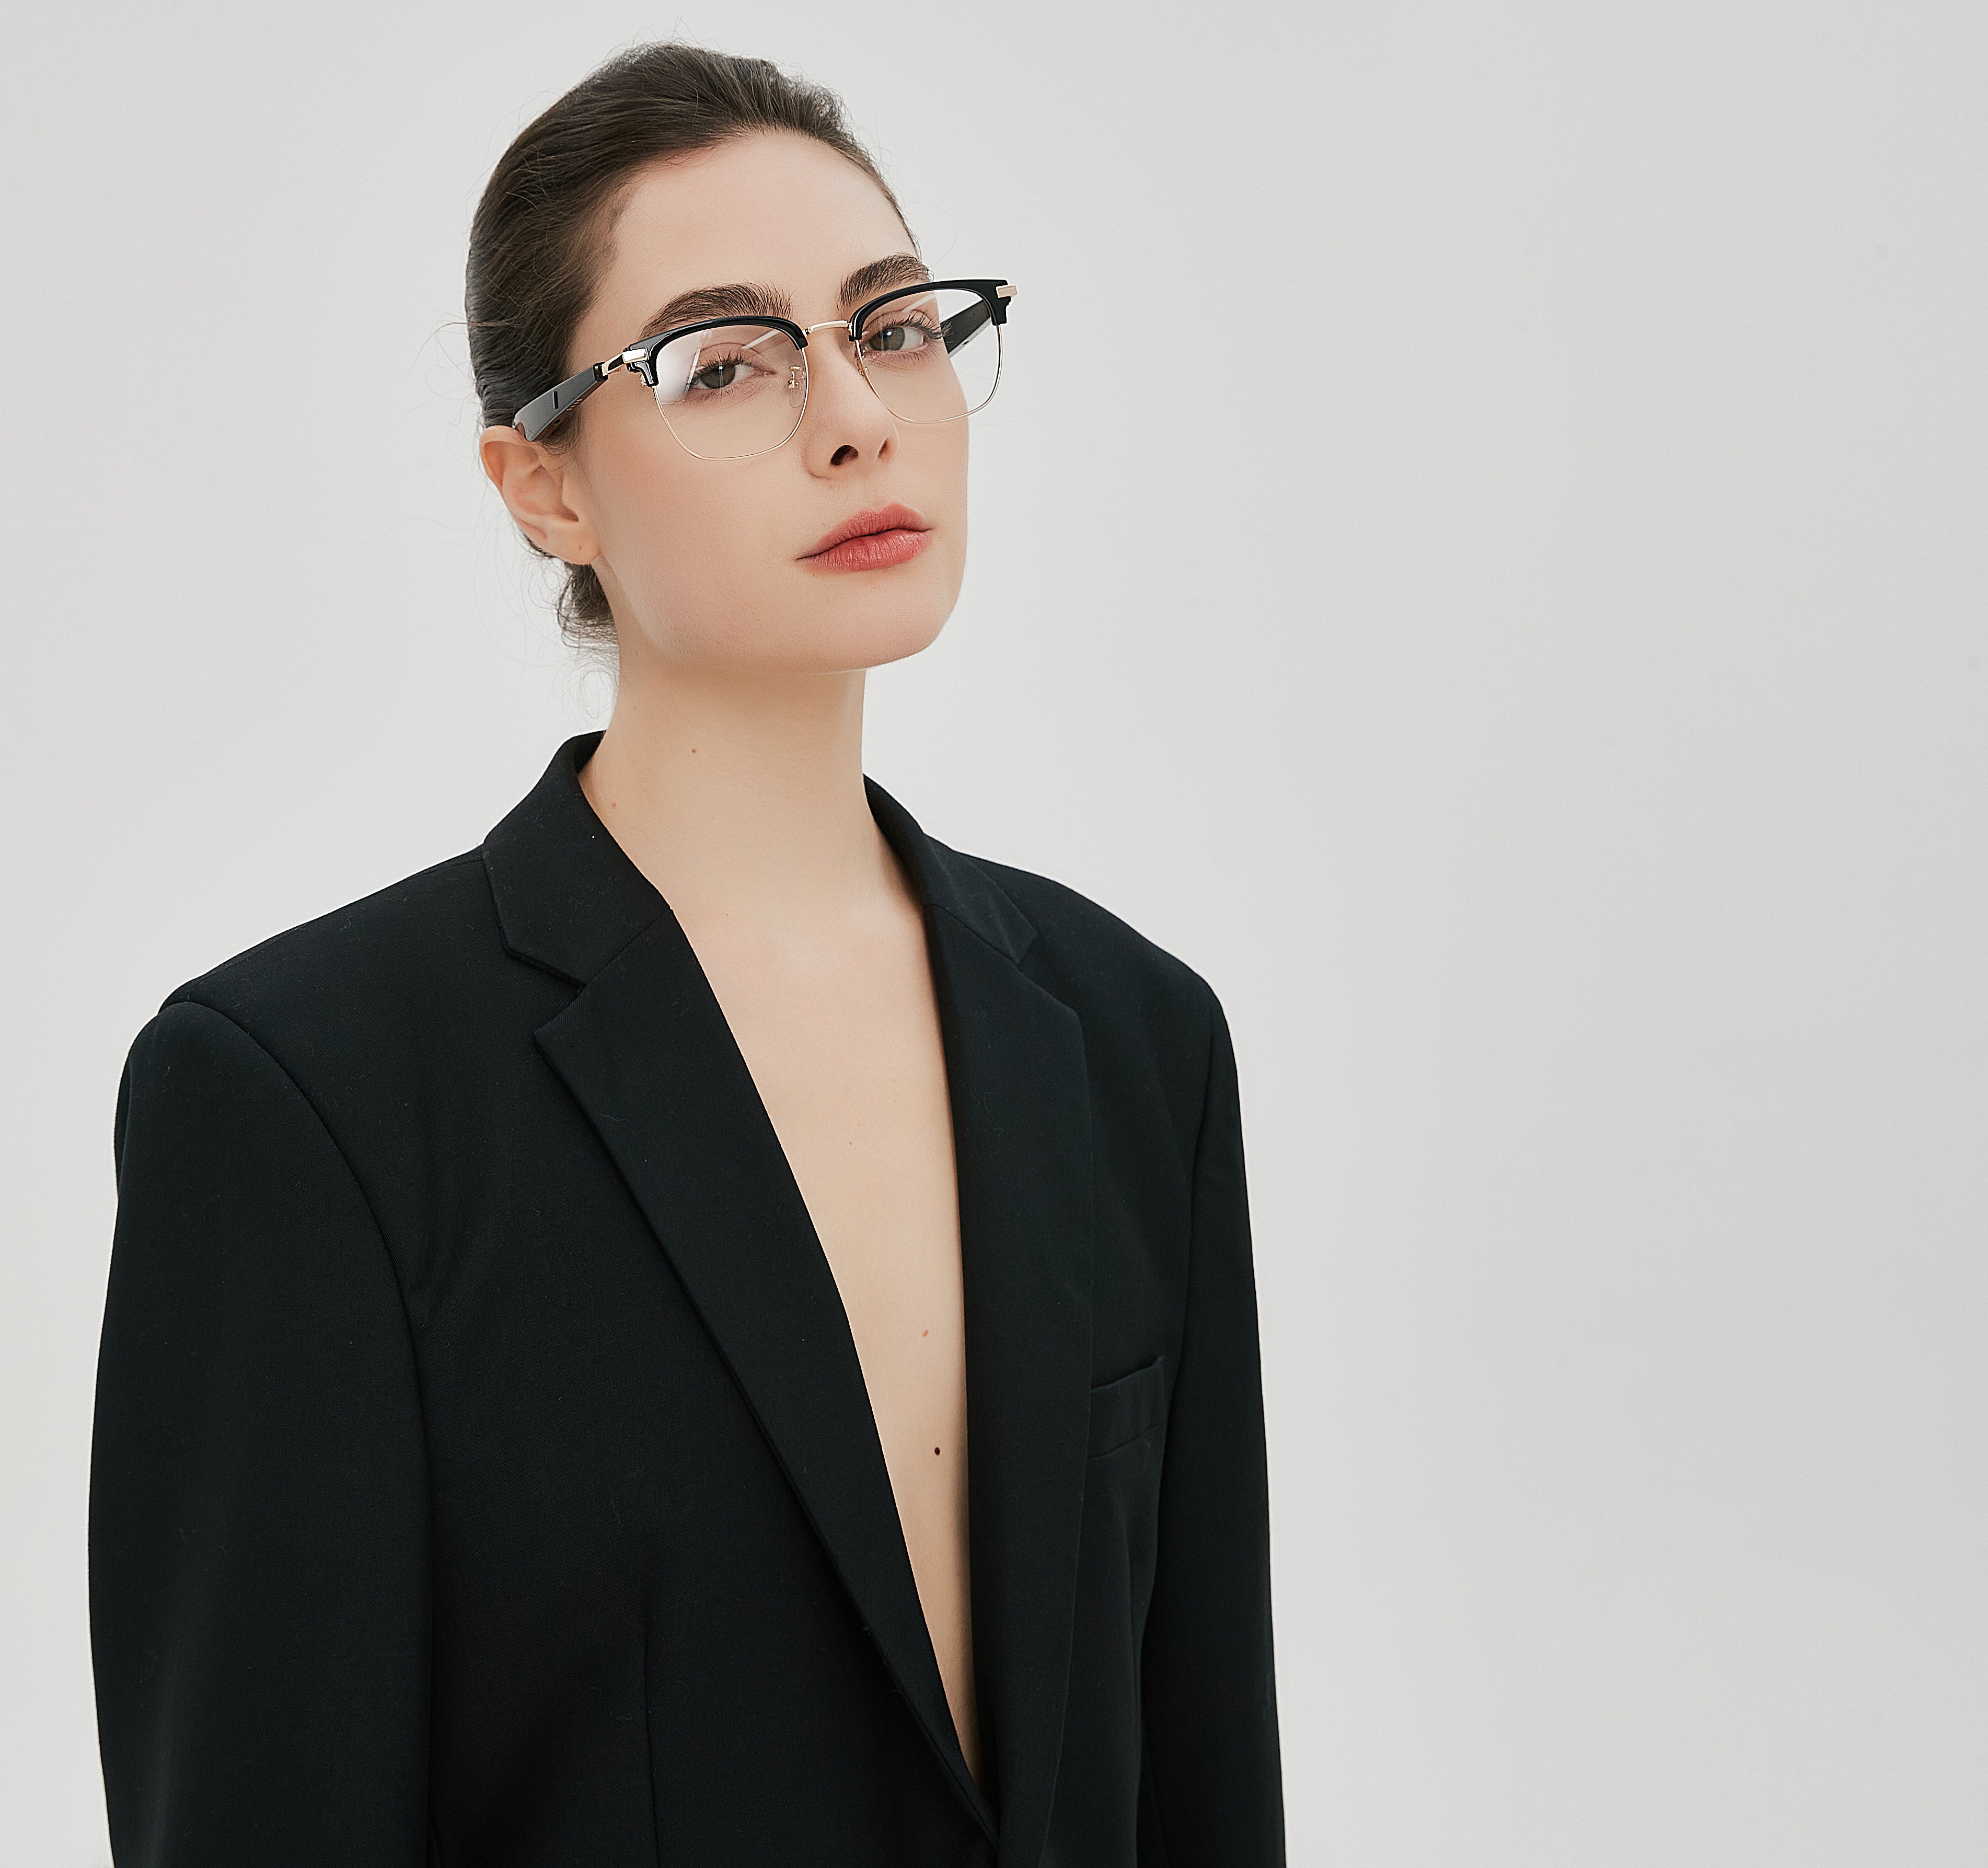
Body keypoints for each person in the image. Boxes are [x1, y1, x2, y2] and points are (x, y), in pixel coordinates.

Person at [88, 42, 1284, 1868]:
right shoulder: (309, 1100)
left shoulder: (1133, 1038)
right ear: (544, 487)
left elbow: (1201, 1783)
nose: (858, 417)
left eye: (898, 328)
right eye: (725, 362)